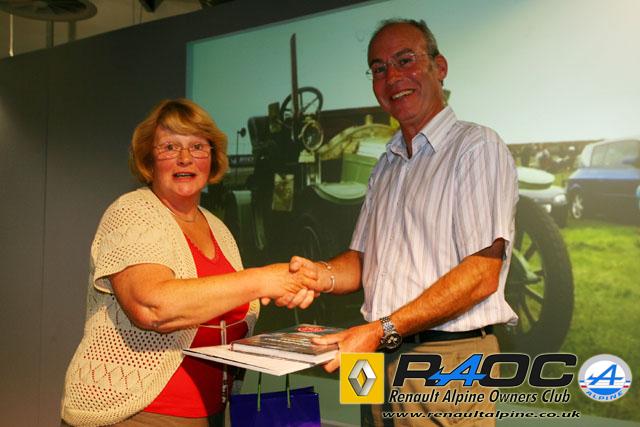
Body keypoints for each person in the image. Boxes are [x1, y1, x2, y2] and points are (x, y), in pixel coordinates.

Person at [287, 19, 519, 426]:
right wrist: (319, 275)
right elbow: (363, 260)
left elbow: (482, 275)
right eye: (379, 68)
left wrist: (379, 331)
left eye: (405, 60)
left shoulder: (475, 147)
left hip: (445, 360)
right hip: (377, 356)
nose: (392, 77)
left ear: (439, 67)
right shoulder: (387, 163)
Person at [60, 98, 317, 427]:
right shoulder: (131, 212)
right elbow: (152, 307)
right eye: (170, 147)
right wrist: (263, 280)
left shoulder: (218, 229)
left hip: (210, 414)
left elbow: (225, 309)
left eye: (197, 146)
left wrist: (284, 297)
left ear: (213, 158)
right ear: (149, 159)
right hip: (136, 415)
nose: (185, 158)